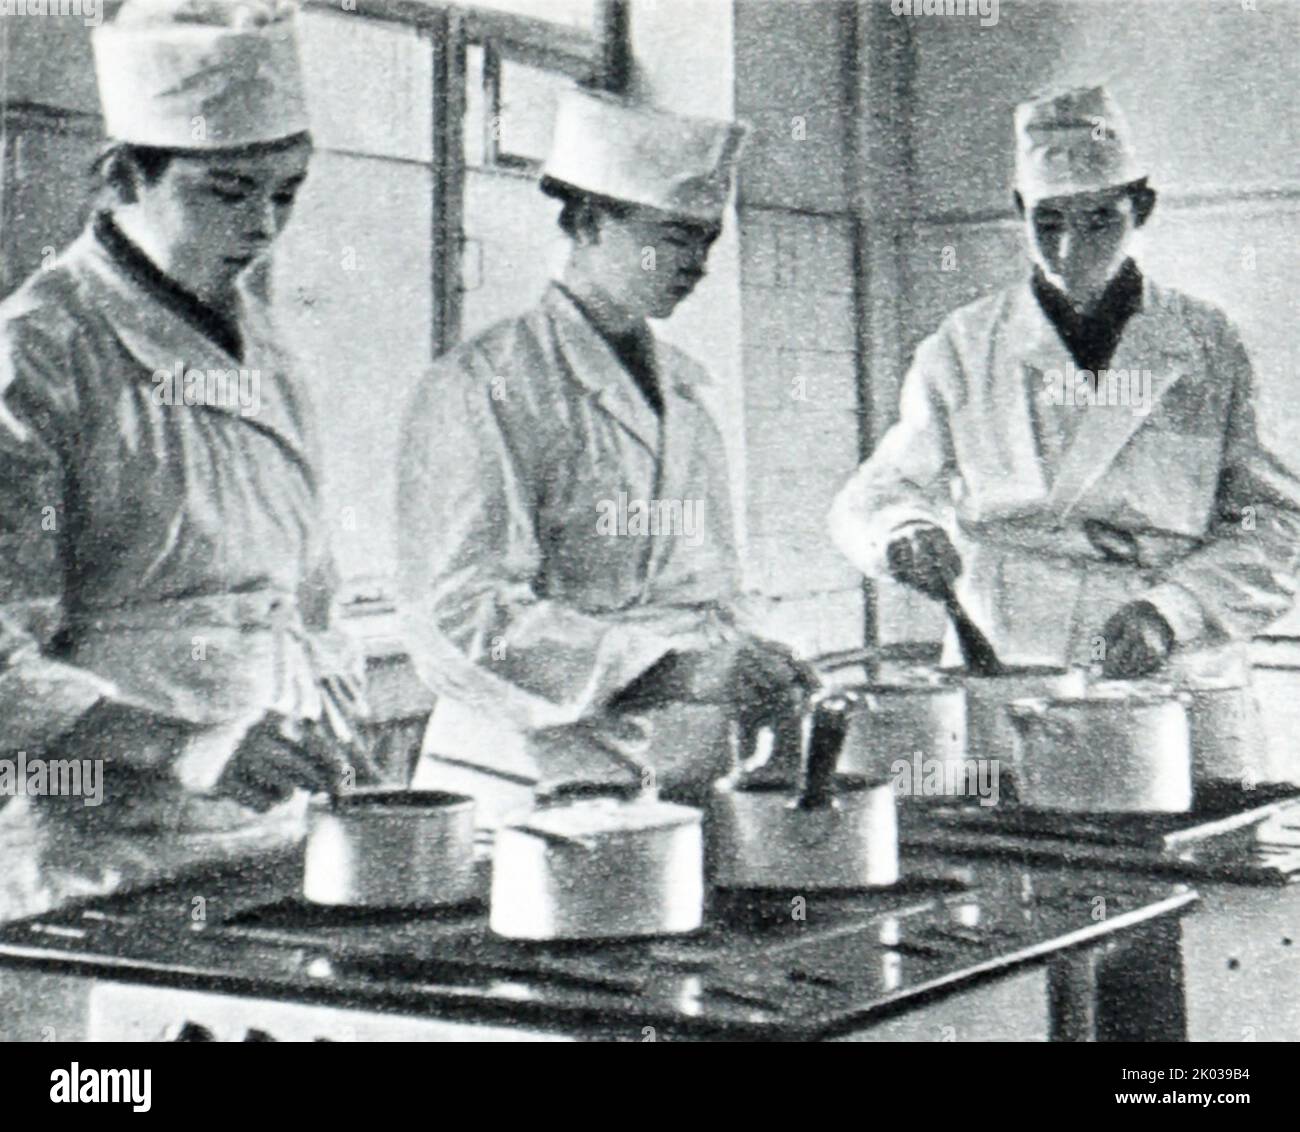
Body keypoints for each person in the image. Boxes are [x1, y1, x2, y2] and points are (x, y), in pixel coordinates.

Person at [0, 0, 372, 891]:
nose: (264, 227)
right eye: (228, 191)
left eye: (286, 192)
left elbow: (308, 594)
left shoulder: (266, 348)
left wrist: (334, 716)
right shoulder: (39, 352)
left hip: (267, 832)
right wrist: (183, 746)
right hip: (93, 849)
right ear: (124, 177)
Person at [397, 90, 815, 826]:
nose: (697, 264)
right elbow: (463, 616)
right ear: (589, 223)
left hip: (673, 769)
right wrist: (673, 670)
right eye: (674, 236)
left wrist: (752, 657)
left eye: (707, 241)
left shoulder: (685, 390)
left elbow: (704, 583)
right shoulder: (484, 384)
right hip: (527, 773)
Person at [829, 85, 1300, 691]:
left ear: (1143, 206)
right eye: (1047, 223)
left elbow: (1278, 524)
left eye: (1100, 219)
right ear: (1018, 209)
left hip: (1171, 654)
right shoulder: (966, 344)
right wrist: (902, 530)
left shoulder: (1208, 342)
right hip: (1010, 646)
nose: (1071, 250)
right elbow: (877, 491)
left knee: (1174, 786)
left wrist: (1174, 612)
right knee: (996, 786)